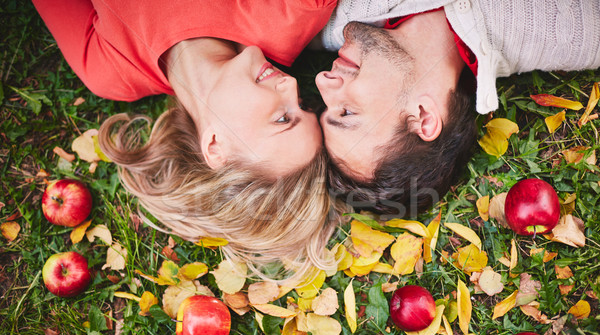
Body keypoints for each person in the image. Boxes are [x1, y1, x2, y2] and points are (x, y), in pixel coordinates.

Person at [32, 0, 348, 278]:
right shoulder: (294, 9)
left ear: (215, 147)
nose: (291, 86)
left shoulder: (108, 69)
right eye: (303, 105)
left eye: (283, 118)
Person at [316, 0, 600, 217]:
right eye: (347, 112)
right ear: (423, 117)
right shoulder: (575, 32)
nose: (322, 81)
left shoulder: (321, 18)